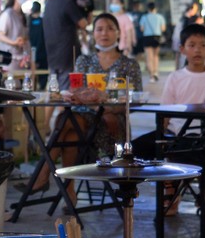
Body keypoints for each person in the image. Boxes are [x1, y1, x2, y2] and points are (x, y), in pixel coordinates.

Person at [30, 13, 142, 194]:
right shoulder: (84, 61)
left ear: (118, 33)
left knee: (66, 122)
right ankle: (67, 191)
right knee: (70, 129)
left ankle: (43, 178)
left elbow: (136, 99)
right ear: (93, 33)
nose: (104, 33)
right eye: (99, 29)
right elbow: (77, 93)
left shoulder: (129, 64)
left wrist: (108, 109)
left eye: (110, 29)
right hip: (84, 119)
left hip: (112, 125)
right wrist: (95, 105)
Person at [133, 24, 205, 213]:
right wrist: (161, 134)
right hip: (173, 132)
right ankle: (195, 180)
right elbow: (165, 111)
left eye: (202, 45)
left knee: (180, 150)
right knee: (134, 149)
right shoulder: (175, 77)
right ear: (182, 49)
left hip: (200, 135)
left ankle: (175, 186)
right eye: (192, 45)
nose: (197, 50)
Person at [42, 0, 86, 84]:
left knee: (55, 91)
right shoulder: (66, 3)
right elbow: (83, 23)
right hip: (68, 56)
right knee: (68, 91)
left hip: (52, 57)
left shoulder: (46, 5)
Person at [0, 0, 29, 77]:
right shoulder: (7, 14)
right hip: (9, 59)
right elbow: (0, 35)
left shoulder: (22, 15)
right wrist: (14, 42)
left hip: (21, 59)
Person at [137, 1, 166, 83]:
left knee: (149, 57)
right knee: (156, 56)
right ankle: (156, 72)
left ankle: (151, 75)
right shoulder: (160, 17)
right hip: (157, 37)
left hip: (147, 37)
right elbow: (163, 28)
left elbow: (142, 29)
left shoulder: (144, 17)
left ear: (148, 9)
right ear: (155, 8)